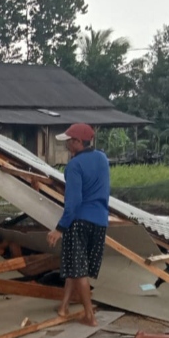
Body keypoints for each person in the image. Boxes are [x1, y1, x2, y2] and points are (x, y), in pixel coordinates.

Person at [46, 123, 110, 327]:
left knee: (79, 270)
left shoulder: (74, 166)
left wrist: (59, 228)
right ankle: (64, 307)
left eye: (69, 141)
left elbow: (73, 203)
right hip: (100, 221)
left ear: (78, 142)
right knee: (76, 266)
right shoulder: (102, 158)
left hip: (79, 221)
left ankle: (89, 315)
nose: (67, 146)